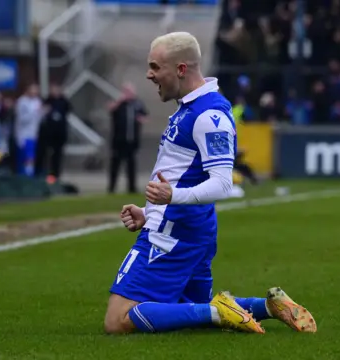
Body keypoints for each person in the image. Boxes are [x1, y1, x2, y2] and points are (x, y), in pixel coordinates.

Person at [104, 32, 317, 335]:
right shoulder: (190, 107)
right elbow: (183, 172)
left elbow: (222, 184)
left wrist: (170, 198)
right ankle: (268, 307)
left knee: (118, 320)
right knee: (186, 309)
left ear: (180, 69)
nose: (149, 75)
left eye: (155, 66)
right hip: (189, 226)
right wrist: (149, 210)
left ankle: (219, 311)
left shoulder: (209, 114)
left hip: (174, 233)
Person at [107, 82, 148, 194]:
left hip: (132, 140)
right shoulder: (120, 104)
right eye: (127, 92)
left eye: (130, 91)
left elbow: (144, 116)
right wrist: (120, 100)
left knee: (131, 164)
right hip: (118, 140)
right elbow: (111, 110)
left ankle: (132, 187)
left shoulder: (137, 104)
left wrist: (141, 119)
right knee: (115, 164)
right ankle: (111, 187)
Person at [36, 83, 72, 180]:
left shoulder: (64, 101)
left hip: (59, 133)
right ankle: (43, 173)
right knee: (45, 154)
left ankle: (56, 174)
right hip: (48, 133)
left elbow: (68, 111)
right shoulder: (47, 101)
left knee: (57, 155)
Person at [14, 84, 42, 176]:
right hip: (23, 134)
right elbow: (21, 119)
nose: (35, 92)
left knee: (31, 158)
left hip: (33, 134)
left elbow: (38, 118)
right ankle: (22, 176)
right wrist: (34, 113)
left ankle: (30, 175)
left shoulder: (37, 101)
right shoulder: (22, 102)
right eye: (33, 90)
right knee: (24, 158)